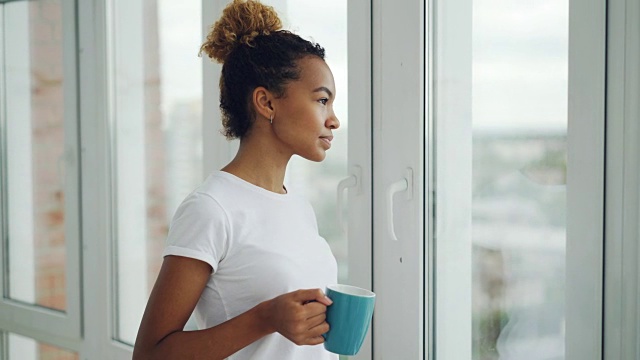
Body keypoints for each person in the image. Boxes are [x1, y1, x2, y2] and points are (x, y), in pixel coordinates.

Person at [132, 0, 340, 359]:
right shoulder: (211, 209)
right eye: (322, 100)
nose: (334, 120)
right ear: (266, 103)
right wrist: (266, 317)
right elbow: (149, 354)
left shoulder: (299, 207)